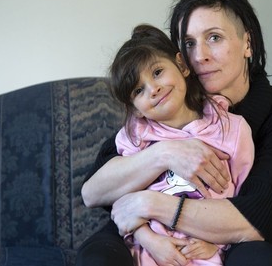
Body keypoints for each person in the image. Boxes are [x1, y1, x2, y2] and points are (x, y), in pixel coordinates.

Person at [77, 0, 272, 266]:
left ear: (248, 43)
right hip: (143, 231)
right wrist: (166, 154)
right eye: (189, 43)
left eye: (214, 37)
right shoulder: (165, 103)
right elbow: (93, 193)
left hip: (227, 236)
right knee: (98, 258)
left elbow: (258, 218)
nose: (200, 56)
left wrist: (149, 204)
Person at [108, 23, 254, 266]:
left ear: (182, 65)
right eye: (139, 90)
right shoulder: (134, 137)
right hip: (151, 251)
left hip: (206, 249)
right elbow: (125, 205)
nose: (153, 89)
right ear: (136, 109)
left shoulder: (231, 128)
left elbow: (244, 198)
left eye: (157, 72)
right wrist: (150, 242)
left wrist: (218, 243)